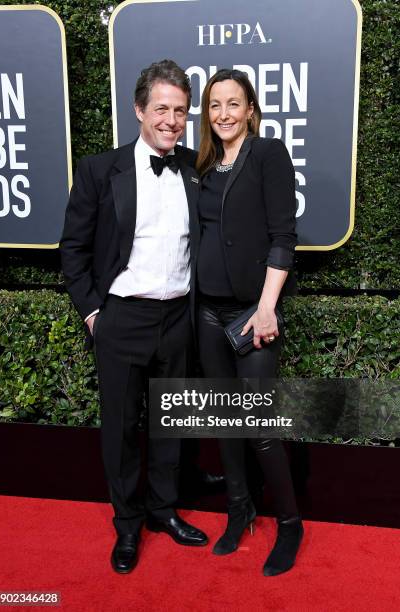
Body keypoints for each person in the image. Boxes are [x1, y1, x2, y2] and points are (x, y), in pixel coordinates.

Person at [60, 59, 208, 575]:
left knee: (170, 424)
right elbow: (73, 249)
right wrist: (94, 313)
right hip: (121, 317)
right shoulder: (103, 170)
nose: (171, 120)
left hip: (177, 319)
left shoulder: (195, 168)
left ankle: (163, 512)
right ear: (139, 110)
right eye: (162, 109)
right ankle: (127, 525)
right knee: (121, 428)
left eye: (181, 111)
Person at [196, 69, 303, 576]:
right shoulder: (201, 165)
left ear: (251, 110)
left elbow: (284, 235)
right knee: (226, 424)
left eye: (233, 104)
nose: (223, 114)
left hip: (251, 312)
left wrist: (265, 308)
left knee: (259, 427)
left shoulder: (268, 155)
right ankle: (239, 512)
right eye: (215, 105)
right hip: (206, 313)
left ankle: (289, 524)